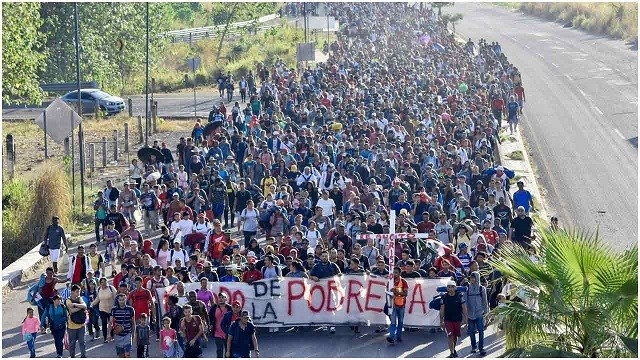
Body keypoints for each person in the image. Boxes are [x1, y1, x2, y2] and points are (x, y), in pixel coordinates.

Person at [440, 280, 468, 358]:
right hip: (448, 319)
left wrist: (466, 318)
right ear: (447, 288)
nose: (451, 288)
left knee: (455, 336)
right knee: (450, 336)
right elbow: (442, 309)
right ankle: (451, 352)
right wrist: (441, 321)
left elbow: (464, 308)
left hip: (457, 319)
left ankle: (453, 348)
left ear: (455, 287)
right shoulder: (444, 297)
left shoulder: (460, 296)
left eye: (452, 287)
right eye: (449, 287)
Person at [465, 271, 489, 356]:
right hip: (470, 314)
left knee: (481, 331)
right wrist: (465, 314)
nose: (472, 279)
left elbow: (485, 302)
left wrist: (487, 314)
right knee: (471, 331)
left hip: (479, 313)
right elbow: (465, 301)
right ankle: (473, 347)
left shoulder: (481, 288)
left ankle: (481, 348)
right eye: (471, 278)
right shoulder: (467, 288)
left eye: (474, 277)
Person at [386, 267, 408, 344]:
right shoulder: (390, 282)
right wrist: (388, 304)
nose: (394, 274)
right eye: (393, 272)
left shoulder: (404, 282)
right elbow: (387, 293)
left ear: (399, 273)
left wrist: (395, 292)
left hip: (401, 305)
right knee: (393, 322)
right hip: (393, 305)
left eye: (396, 272)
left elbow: (405, 294)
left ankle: (399, 336)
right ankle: (391, 336)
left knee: (401, 322)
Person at [66, 284, 88, 358]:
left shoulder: (79, 298)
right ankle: (72, 356)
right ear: (72, 292)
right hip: (72, 326)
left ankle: (83, 356)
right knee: (72, 344)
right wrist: (80, 307)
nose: (79, 293)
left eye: (79, 291)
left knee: (82, 342)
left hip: (81, 325)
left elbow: (85, 306)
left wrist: (75, 304)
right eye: (77, 291)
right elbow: (72, 310)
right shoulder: (68, 300)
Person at [112, 293, 136, 358]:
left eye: (123, 300)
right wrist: (109, 334)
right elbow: (110, 322)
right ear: (118, 300)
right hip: (118, 335)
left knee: (127, 354)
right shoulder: (114, 310)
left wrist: (133, 334)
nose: (121, 301)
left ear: (126, 300)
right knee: (121, 356)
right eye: (120, 300)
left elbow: (133, 323)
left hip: (127, 334)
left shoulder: (130, 309)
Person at [209, 293, 232, 358]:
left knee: (228, 350)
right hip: (217, 332)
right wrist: (210, 324)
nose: (221, 299)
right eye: (220, 297)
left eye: (223, 297)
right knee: (219, 349)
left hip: (227, 332)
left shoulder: (229, 308)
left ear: (226, 299)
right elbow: (210, 317)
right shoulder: (214, 307)